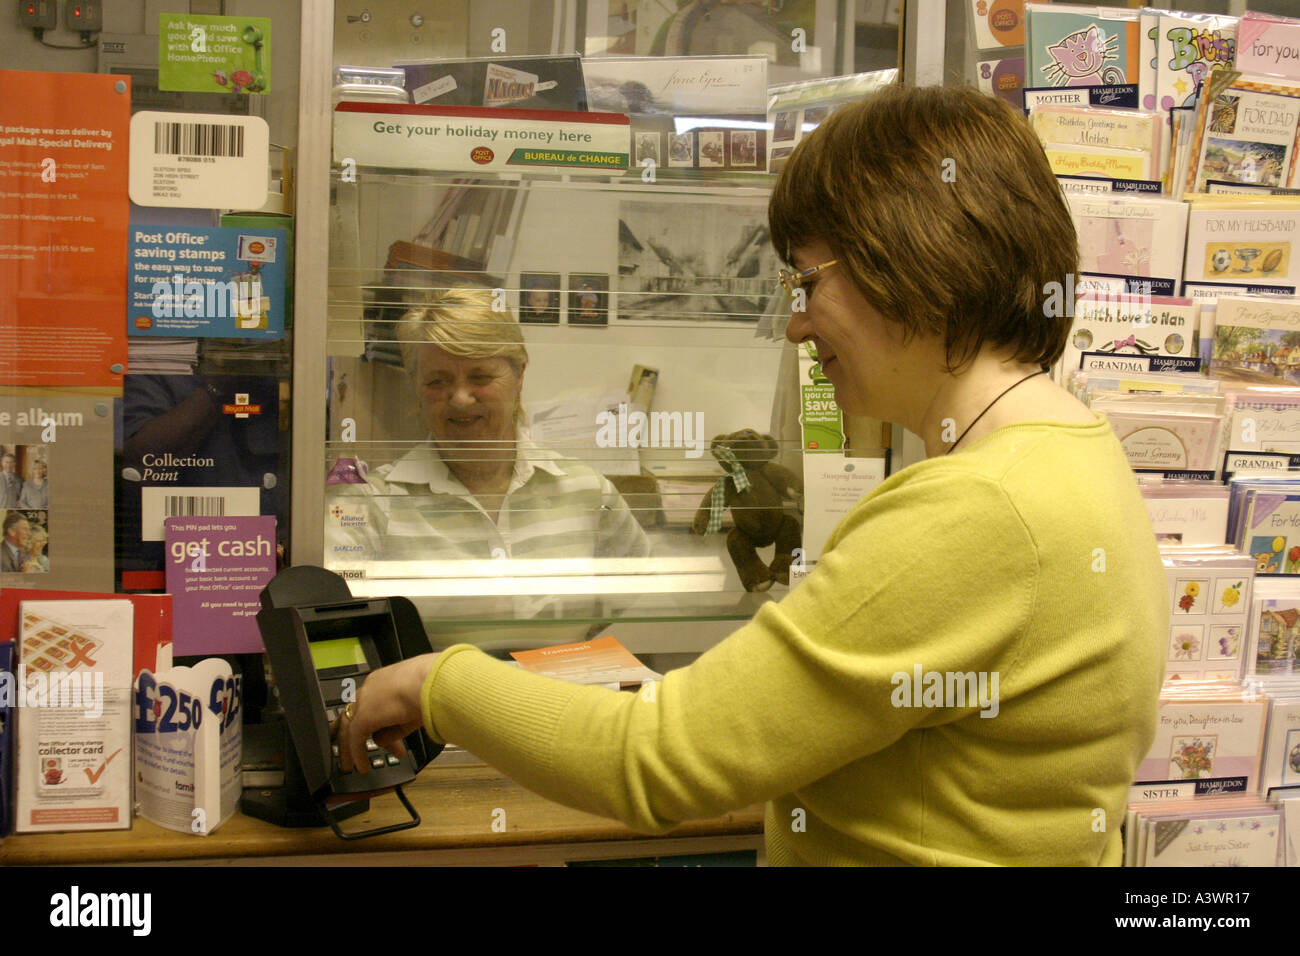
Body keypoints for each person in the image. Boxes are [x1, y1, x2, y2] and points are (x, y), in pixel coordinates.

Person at [336, 85, 1168, 865]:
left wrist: (435, 682)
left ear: (914, 259)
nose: (798, 326)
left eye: (808, 282)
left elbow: (661, 762)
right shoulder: (1076, 453)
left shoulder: (976, 508)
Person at [325, 285, 649, 564]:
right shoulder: (370, 503)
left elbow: (640, 602)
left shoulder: (588, 492)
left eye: (480, 377)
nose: (460, 399)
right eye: (438, 381)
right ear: (416, 387)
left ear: (519, 375)